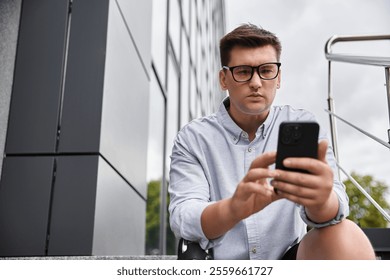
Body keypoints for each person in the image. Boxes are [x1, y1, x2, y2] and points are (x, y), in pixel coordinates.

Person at [168, 23, 376, 260]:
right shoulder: (193, 138)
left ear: (278, 78)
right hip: (221, 265)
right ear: (224, 79)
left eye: (266, 70)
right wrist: (233, 208)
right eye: (243, 71)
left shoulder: (302, 123)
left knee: (344, 231)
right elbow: (183, 215)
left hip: (288, 260)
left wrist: (320, 200)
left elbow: (336, 206)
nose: (256, 83)